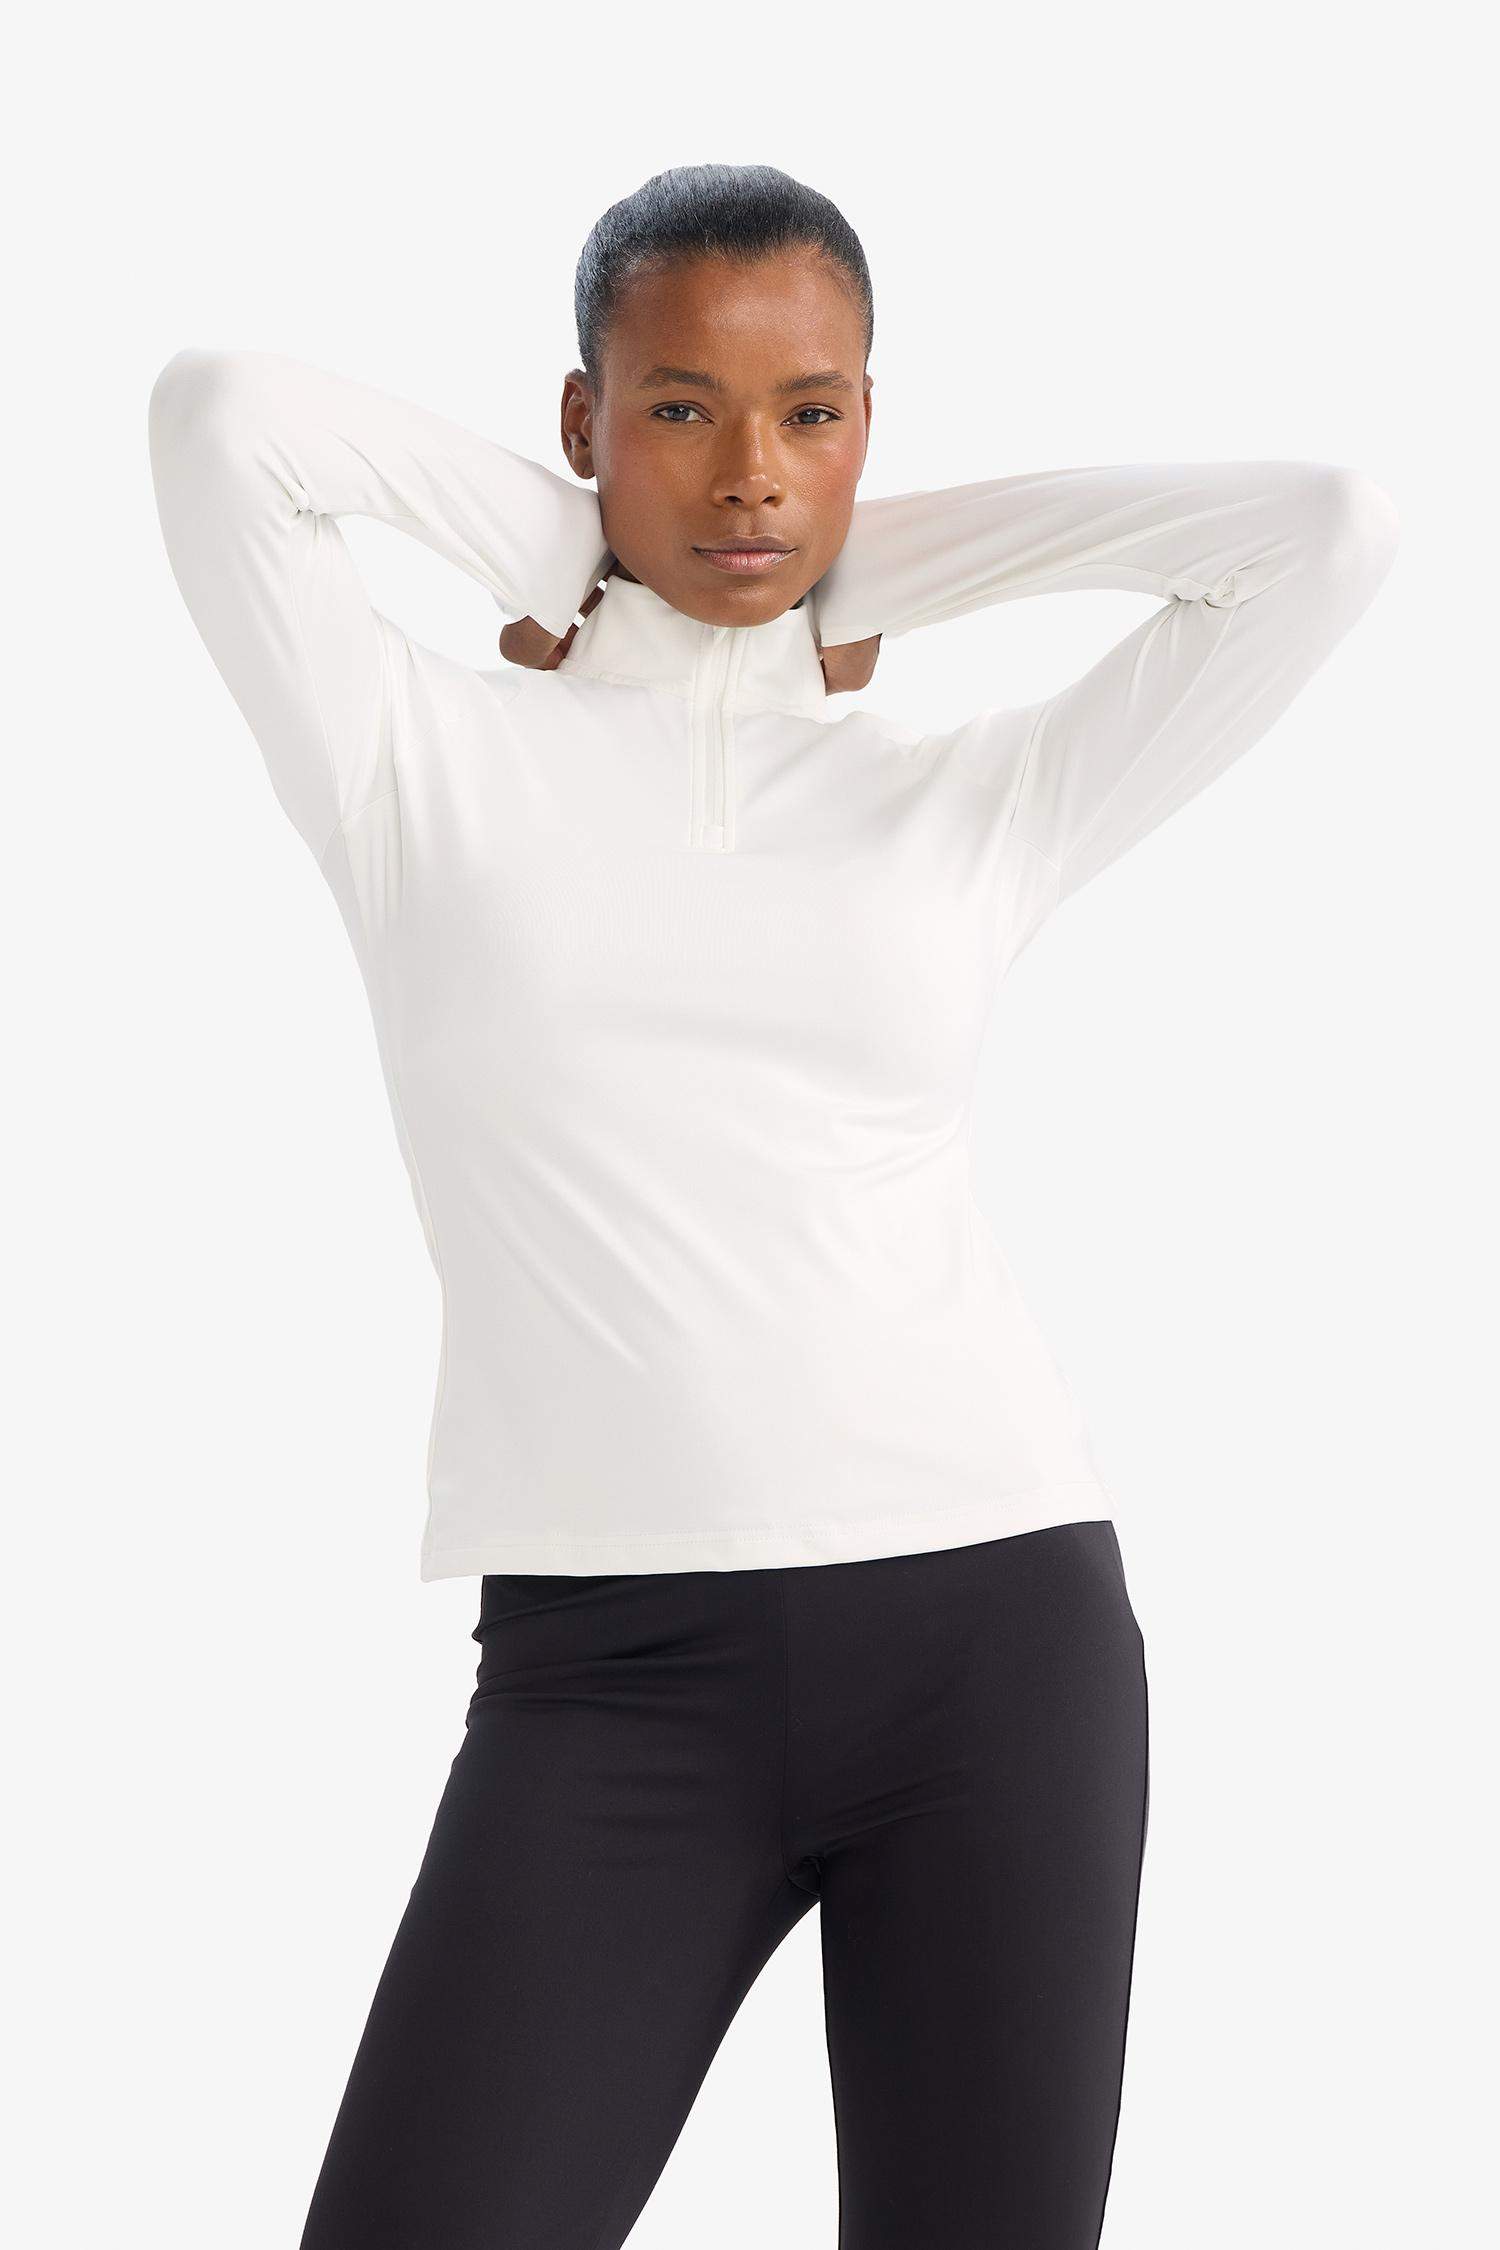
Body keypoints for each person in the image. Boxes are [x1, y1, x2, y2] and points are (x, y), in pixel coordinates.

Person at [147, 163, 1399, 2250]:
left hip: (996, 1637)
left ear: (868, 426)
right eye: (679, 410)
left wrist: (844, 563)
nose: (749, 473)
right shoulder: (413, 758)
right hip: (607, 1672)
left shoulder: (963, 798)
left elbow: (1326, 533)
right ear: (581, 419)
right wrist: (601, 557)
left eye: (811, 415)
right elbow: (223, 418)